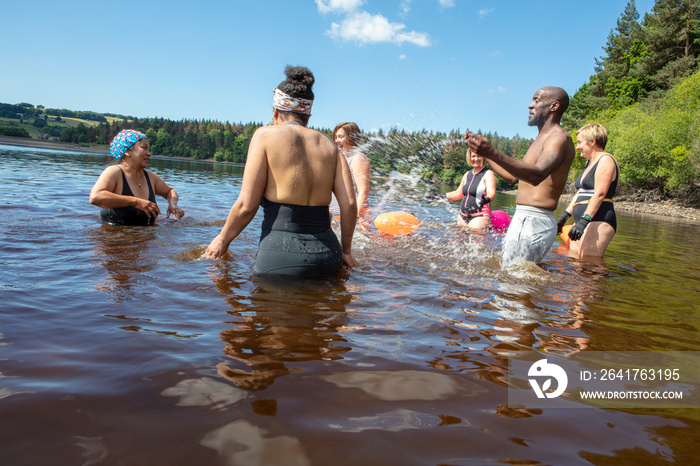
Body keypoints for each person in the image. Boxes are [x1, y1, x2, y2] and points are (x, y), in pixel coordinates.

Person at [203, 66, 357, 277]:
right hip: (329, 254)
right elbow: (349, 203)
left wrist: (222, 239)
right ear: (308, 115)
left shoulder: (265, 136)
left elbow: (247, 205)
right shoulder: (330, 146)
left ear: (276, 111)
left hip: (280, 255)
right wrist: (346, 251)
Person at [465, 86, 575, 267]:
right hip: (522, 217)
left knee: (515, 284)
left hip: (536, 220)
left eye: (537, 100)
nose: (530, 106)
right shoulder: (540, 139)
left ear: (554, 106)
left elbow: (537, 175)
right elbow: (513, 178)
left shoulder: (559, 138)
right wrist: (487, 154)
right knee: (511, 278)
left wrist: (492, 151)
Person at [89, 129, 185, 226]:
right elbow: (95, 197)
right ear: (127, 151)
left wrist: (173, 204)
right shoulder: (114, 172)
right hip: (113, 237)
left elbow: (170, 192)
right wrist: (136, 202)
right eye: (144, 148)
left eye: (149, 149)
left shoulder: (150, 177)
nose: (149, 153)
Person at [557, 124, 619, 258]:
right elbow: (580, 193)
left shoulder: (605, 160)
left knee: (588, 265)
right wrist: (564, 217)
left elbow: (600, 193)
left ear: (592, 142)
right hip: (582, 220)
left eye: (579, 142)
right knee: (573, 259)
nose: (577, 146)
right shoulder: (589, 163)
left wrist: (584, 221)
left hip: (598, 219)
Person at [329, 122, 372, 230]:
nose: (336, 140)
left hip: (356, 218)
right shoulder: (341, 160)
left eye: (340, 137)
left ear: (351, 137)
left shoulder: (358, 158)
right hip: (339, 218)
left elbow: (363, 192)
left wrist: (354, 217)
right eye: (335, 137)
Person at [445, 148, 497, 230]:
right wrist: (439, 196)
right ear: (469, 157)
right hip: (462, 216)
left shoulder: (488, 174)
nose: (476, 159)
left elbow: (492, 193)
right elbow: (458, 193)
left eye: (479, 156)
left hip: (480, 216)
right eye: (473, 156)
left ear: (484, 157)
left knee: (475, 238)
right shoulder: (467, 174)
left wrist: (486, 199)